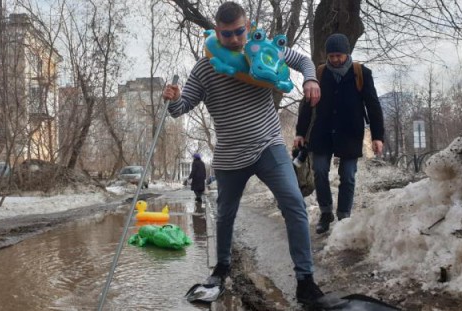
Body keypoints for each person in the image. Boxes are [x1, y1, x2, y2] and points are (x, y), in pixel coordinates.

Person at [162, 1, 326, 306]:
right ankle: (221, 269)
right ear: (217, 33)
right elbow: (181, 108)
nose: (235, 39)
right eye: (227, 34)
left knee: (293, 203)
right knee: (225, 214)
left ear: (247, 27)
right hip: (230, 155)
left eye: (239, 31)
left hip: (269, 145)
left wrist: (311, 78)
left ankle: (305, 280)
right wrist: (171, 100)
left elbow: (302, 60)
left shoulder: (261, 51)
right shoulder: (204, 68)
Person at [294, 33, 384, 234]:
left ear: (346, 54)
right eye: (331, 56)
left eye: (338, 55)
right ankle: (326, 212)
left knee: (348, 175)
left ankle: (344, 216)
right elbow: (307, 105)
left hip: (350, 132)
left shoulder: (361, 73)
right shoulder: (319, 73)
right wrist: (300, 132)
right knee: (319, 171)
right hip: (322, 131)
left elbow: (373, 105)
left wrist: (378, 136)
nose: (334, 59)